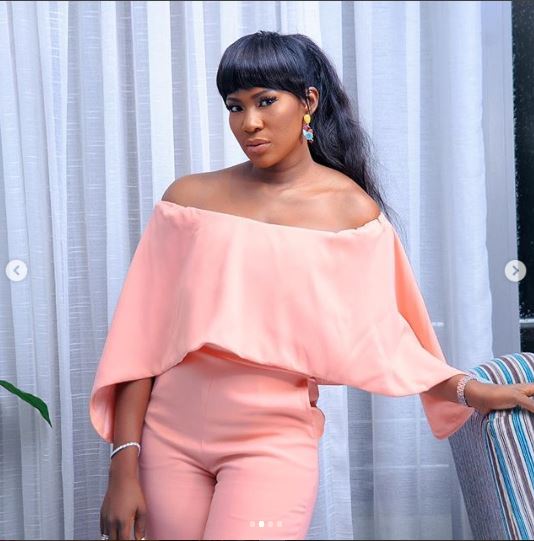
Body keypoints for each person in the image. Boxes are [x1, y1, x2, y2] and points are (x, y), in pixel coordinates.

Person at [90, 30, 534, 541]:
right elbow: (141, 341)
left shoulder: (349, 213)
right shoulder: (187, 201)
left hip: (271, 445)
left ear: (308, 102)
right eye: (235, 106)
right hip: (166, 438)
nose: (249, 123)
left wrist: (470, 391)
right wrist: (123, 464)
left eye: (265, 101)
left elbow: (389, 339)